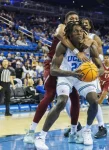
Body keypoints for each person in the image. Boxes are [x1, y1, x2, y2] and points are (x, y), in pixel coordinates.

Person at [23, 11, 93, 144]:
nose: (74, 19)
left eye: (76, 18)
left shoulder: (79, 33)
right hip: (53, 65)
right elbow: (60, 35)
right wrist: (77, 51)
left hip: (69, 67)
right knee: (49, 95)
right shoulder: (62, 27)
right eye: (71, 18)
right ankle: (31, 131)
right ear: (66, 21)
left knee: (75, 98)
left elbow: (89, 42)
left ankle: (74, 132)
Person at [34, 21, 104, 150]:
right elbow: (53, 70)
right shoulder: (63, 46)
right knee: (61, 102)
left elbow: (101, 68)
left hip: (82, 77)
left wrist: (95, 74)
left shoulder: (90, 47)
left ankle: (87, 131)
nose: (80, 33)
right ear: (70, 35)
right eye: (76, 31)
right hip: (66, 74)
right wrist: (72, 73)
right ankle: (41, 137)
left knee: (94, 101)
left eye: (81, 31)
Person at [64, 18, 107, 139]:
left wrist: (95, 67)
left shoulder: (94, 37)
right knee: (67, 99)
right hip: (72, 71)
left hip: (89, 70)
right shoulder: (71, 36)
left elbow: (100, 55)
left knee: (94, 99)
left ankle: (101, 126)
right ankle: (75, 125)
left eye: (86, 24)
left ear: (90, 26)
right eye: (82, 24)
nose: (84, 26)